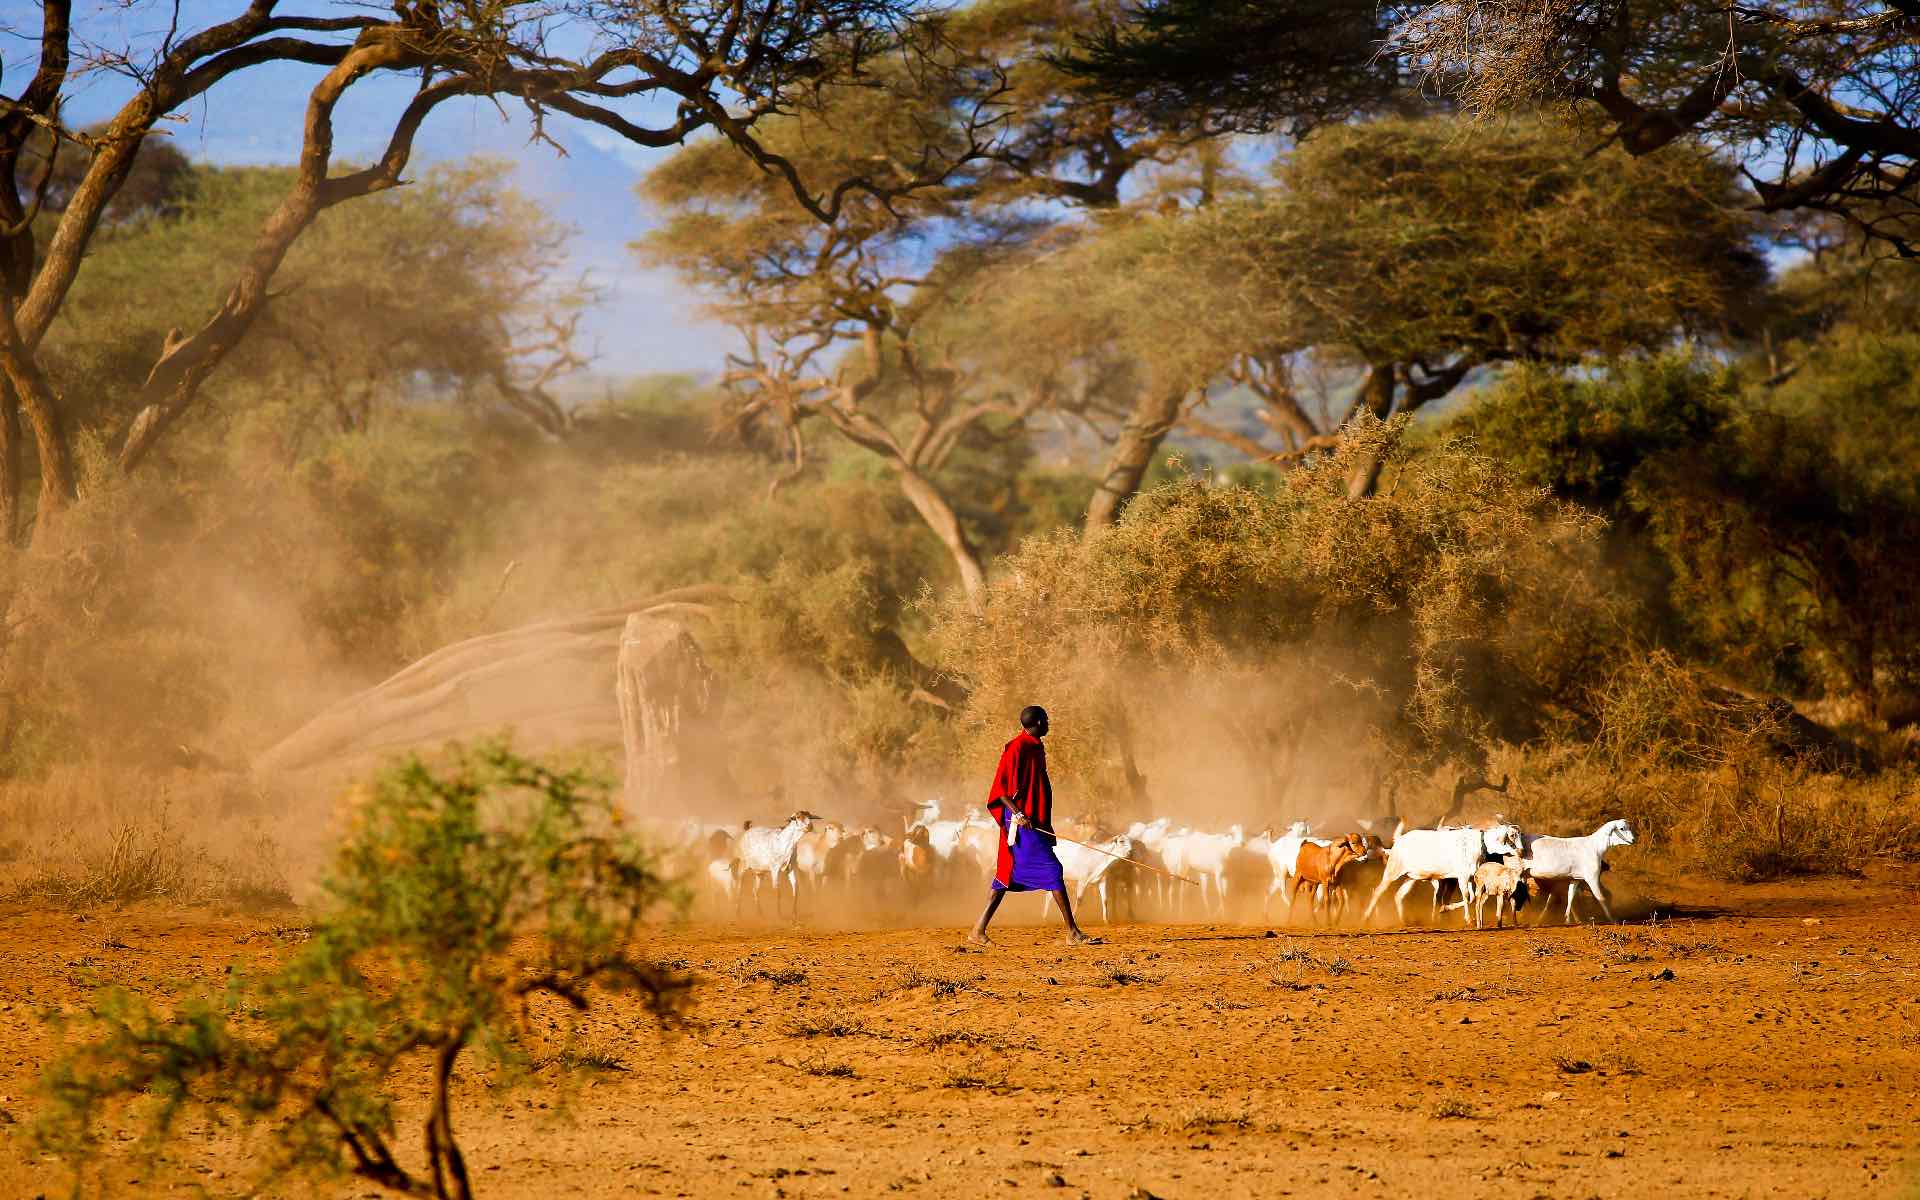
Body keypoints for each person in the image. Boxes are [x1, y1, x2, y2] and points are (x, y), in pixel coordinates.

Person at [967, 705, 1101, 946]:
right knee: (1053, 870)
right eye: (1046, 720)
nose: (1049, 723)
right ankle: (1072, 932)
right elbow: (1000, 791)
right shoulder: (1017, 748)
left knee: (1006, 876)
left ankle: (978, 930)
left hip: (1034, 821)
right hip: (1021, 824)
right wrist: (1018, 814)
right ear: (1038, 722)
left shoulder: (1036, 747)